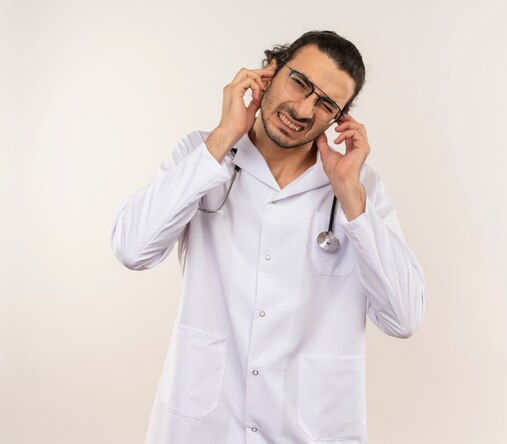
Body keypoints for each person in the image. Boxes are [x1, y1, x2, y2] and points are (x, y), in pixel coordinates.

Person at [110, 30, 426, 444]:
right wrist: (223, 137)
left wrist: (350, 195)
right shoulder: (203, 154)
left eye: (326, 103)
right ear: (270, 71)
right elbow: (132, 249)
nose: (304, 108)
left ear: (339, 119)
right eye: (300, 82)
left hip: (308, 431)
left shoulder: (358, 190)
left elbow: (403, 318)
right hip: (203, 426)